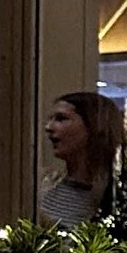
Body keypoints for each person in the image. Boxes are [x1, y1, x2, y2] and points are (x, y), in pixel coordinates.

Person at [38, 90, 119, 226]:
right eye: (51, 119)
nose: (48, 127)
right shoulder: (44, 184)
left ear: (93, 126)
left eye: (61, 119)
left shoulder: (115, 196)